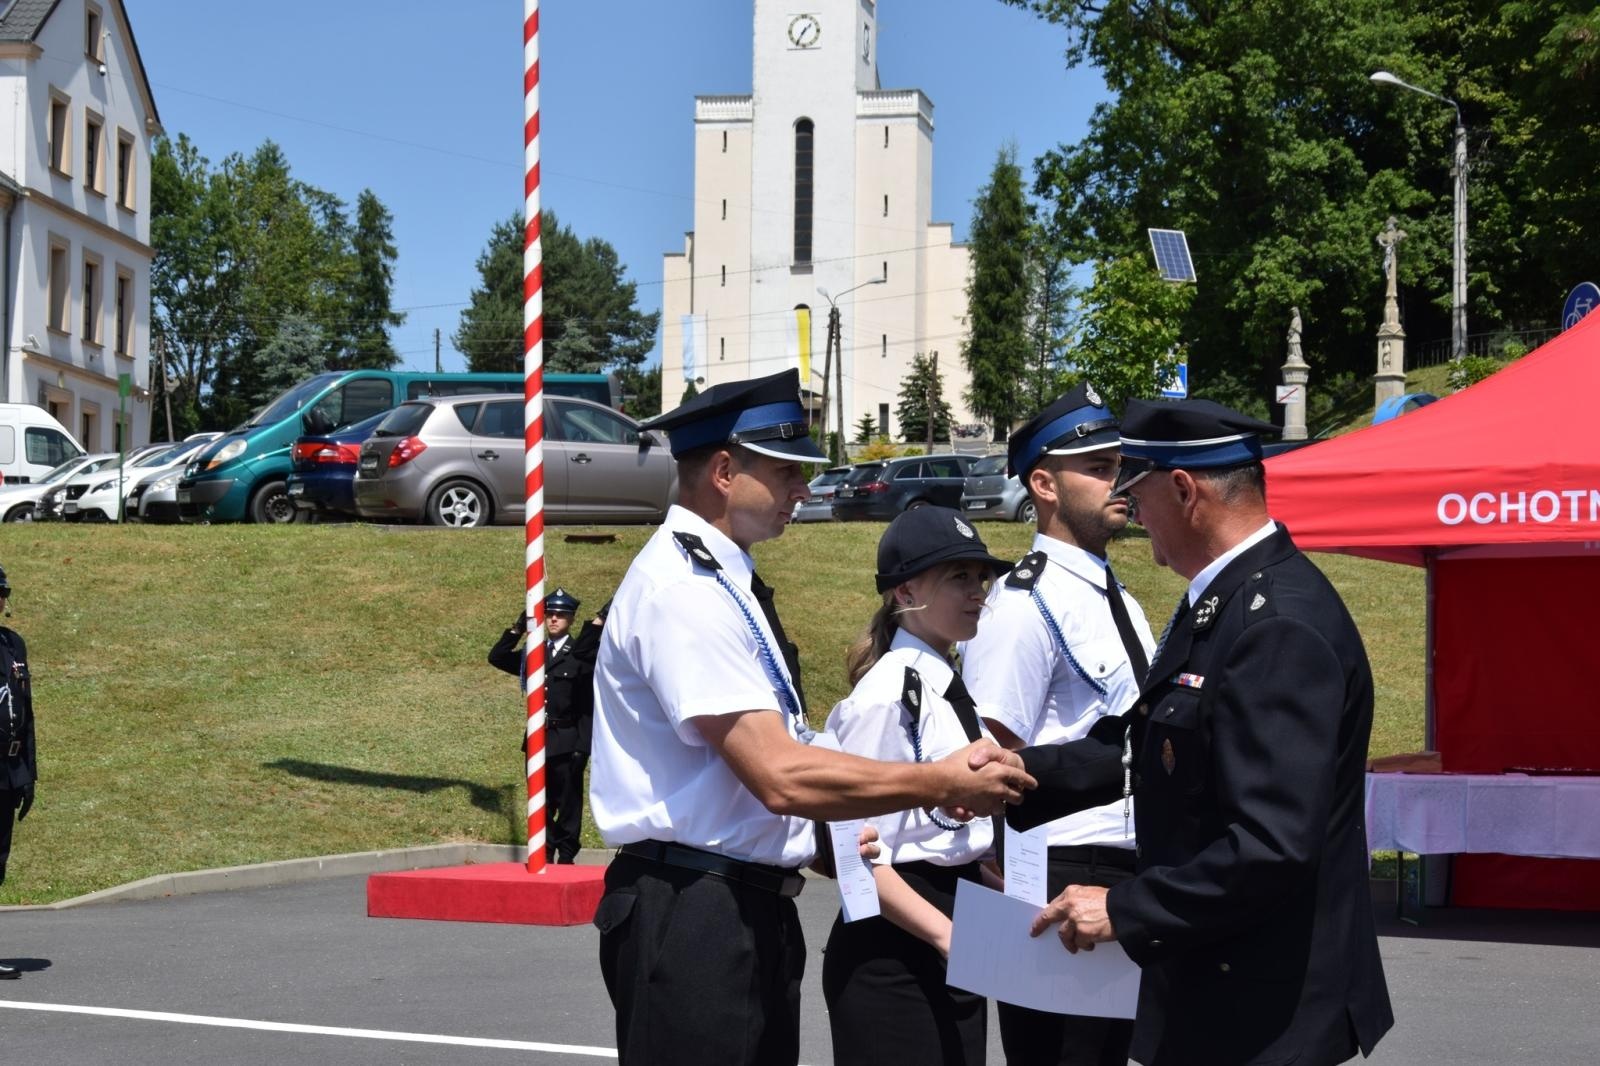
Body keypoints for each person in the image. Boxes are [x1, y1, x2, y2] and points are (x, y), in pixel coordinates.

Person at [587, 369, 1035, 1066]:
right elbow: (779, 775)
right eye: (787, 471)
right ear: (725, 472)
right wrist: (940, 782)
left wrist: (834, 830)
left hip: (740, 902)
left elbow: (786, 759)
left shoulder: (723, 581)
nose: (803, 489)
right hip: (697, 906)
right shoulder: (683, 591)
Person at [1003, 398, 1394, 1066]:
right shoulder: (1225, 600)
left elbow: (1272, 844)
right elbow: (1152, 747)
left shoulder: (1274, 624)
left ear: (1184, 490)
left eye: (1138, 495)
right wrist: (1017, 777)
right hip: (1219, 989)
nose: (1134, 515)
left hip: (1262, 1010)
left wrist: (1127, 908)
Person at [959, 384, 1154, 1066]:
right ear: (1044, 484)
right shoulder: (1022, 603)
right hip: (1056, 867)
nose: (1119, 481)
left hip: (1124, 865)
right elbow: (987, 755)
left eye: (1119, 466)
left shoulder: (1119, 597)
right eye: (1098, 468)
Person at [822, 506, 1013, 1066]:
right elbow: (855, 854)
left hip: (950, 920)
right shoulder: (887, 695)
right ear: (904, 592)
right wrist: (946, 934)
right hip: (895, 947)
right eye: (959, 577)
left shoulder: (946, 686)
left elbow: (942, 836)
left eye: (982, 578)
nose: (978, 592)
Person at [488, 587, 605, 864]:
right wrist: (518, 628)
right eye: (550, 614)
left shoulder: (580, 654)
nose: (553, 619)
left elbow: (587, 705)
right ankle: (546, 849)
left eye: (560, 615)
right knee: (540, 800)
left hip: (567, 738)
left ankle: (566, 854)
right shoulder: (534, 652)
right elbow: (497, 657)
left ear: (571, 619)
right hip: (538, 738)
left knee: (568, 801)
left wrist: (582, 747)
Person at [0, 562, 37, 980]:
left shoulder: (13, 645)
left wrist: (29, 774)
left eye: (1, 593)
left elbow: (26, 715)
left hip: (7, 770)